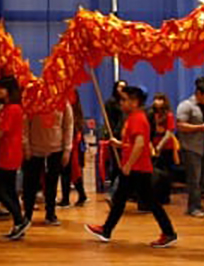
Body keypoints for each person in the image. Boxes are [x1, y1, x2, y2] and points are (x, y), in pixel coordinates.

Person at [85, 86, 177, 248]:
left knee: (149, 202)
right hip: (136, 167)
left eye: (124, 99)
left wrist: (128, 165)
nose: (121, 103)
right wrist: (120, 144)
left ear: (134, 102)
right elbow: (134, 143)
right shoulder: (133, 117)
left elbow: (140, 145)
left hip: (138, 168)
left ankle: (169, 232)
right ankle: (106, 230)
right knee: (121, 199)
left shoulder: (138, 119)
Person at [0, 76, 30, 240]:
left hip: (9, 154)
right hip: (7, 153)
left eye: (1, 88)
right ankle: (18, 224)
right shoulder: (8, 108)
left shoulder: (13, 109)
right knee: (10, 191)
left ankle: (20, 219)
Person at [21, 95, 73, 225]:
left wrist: (67, 149)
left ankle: (50, 214)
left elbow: (68, 125)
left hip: (56, 148)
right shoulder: (32, 101)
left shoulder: (63, 102)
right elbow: (25, 125)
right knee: (30, 184)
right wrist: (26, 146)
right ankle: (27, 215)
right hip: (34, 149)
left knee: (52, 183)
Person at [176, 78, 204, 217]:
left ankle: (198, 204)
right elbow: (181, 125)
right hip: (191, 147)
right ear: (198, 93)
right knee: (194, 179)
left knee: (203, 179)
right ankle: (193, 207)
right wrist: (200, 127)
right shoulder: (186, 106)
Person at [59, 91, 88, 208]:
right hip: (72, 138)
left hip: (72, 139)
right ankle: (79, 195)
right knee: (70, 169)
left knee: (68, 169)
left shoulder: (69, 99)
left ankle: (68, 198)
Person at [148, 93, 178, 205]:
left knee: (166, 173)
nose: (157, 102)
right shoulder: (151, 114)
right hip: (152, 146)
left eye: (160, 99)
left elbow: (169, 132)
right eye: (156, 99)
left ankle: (165, 196)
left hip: (166, 146)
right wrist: (152, 146)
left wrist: (160, 146)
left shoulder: (169, 115)